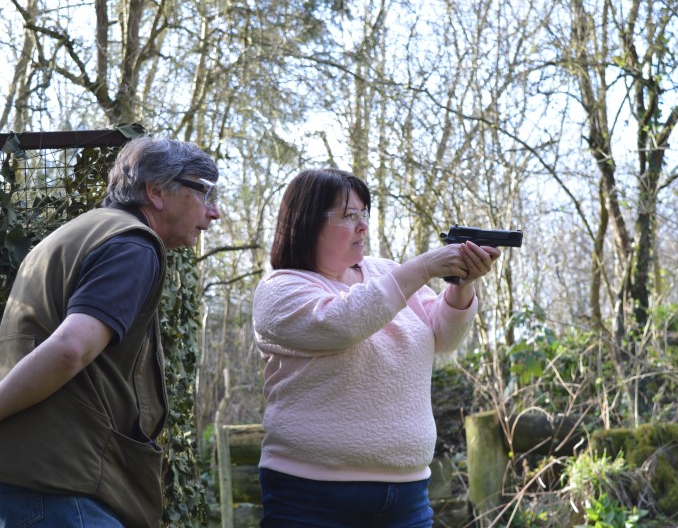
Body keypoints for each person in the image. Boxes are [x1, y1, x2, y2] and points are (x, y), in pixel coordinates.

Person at [252, 168, 501, 527]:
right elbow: (344, 323)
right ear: (306, 222)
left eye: (364, 214)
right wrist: (425, 265)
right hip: (310, 497)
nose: (362, 226)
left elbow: (444, 338)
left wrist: (460, 286)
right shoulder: (280, 290)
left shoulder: (386, 272)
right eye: (349, 216)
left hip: (408, 497)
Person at [0, 137, 221, 527]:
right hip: (65, 485)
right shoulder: (131, 245)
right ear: (156, 192)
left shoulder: (74, 234)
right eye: (205, 192)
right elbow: (71, 348)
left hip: (28, 478)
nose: (214, 212)